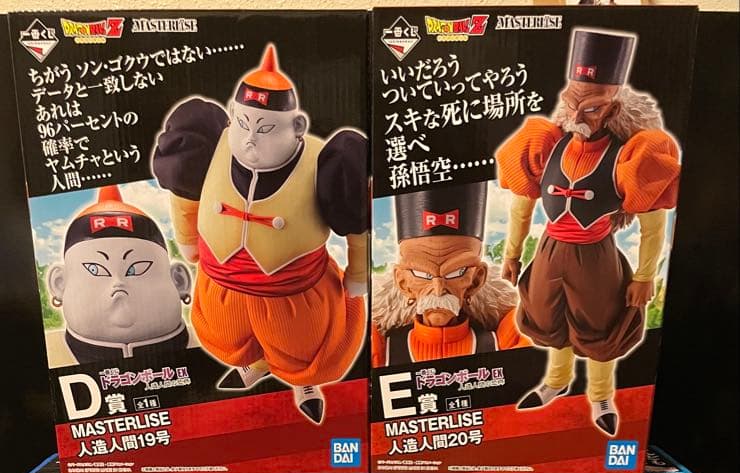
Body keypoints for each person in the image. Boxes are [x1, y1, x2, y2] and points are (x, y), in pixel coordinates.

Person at [152, 43, 368, 425]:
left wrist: (358, 273)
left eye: (265, 128)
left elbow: (356, 223)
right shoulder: (208, 146)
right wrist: (187, 240)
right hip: (222, 286)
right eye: (242, 123)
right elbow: (184, 196)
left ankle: (302, 383)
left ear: (297, 127)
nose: (250, 138)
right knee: (231, 338)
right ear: (230, 116)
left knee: (300, 348)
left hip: (294, 293)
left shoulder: (325, 161)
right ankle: (256, 364)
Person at [496, 28, 681, 435]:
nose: (578, 118)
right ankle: (556, 382)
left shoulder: (629, 156)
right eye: (572, 105)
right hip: (549, 251)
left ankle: (599, 396)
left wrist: (644, 277)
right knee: (549, 319)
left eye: (593, 108)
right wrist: (512, 254)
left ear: (614, 108)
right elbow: (522, 205)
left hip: (596, 255)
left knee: (600, 328)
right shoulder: (546, 145)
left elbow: (653, 226)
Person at [371, 183, 529, 366]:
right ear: (402, 282)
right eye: (422, 274)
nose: (438, 290)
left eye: (455, 272)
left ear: (477, 280)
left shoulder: (505, 339)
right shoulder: (379, 350)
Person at [46, 185, 192, 367]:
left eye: (136, 269)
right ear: (59, 284)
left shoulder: (212, 345)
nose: (118, 283)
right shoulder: (45, 355)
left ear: (179, 281)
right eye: (95, 269)